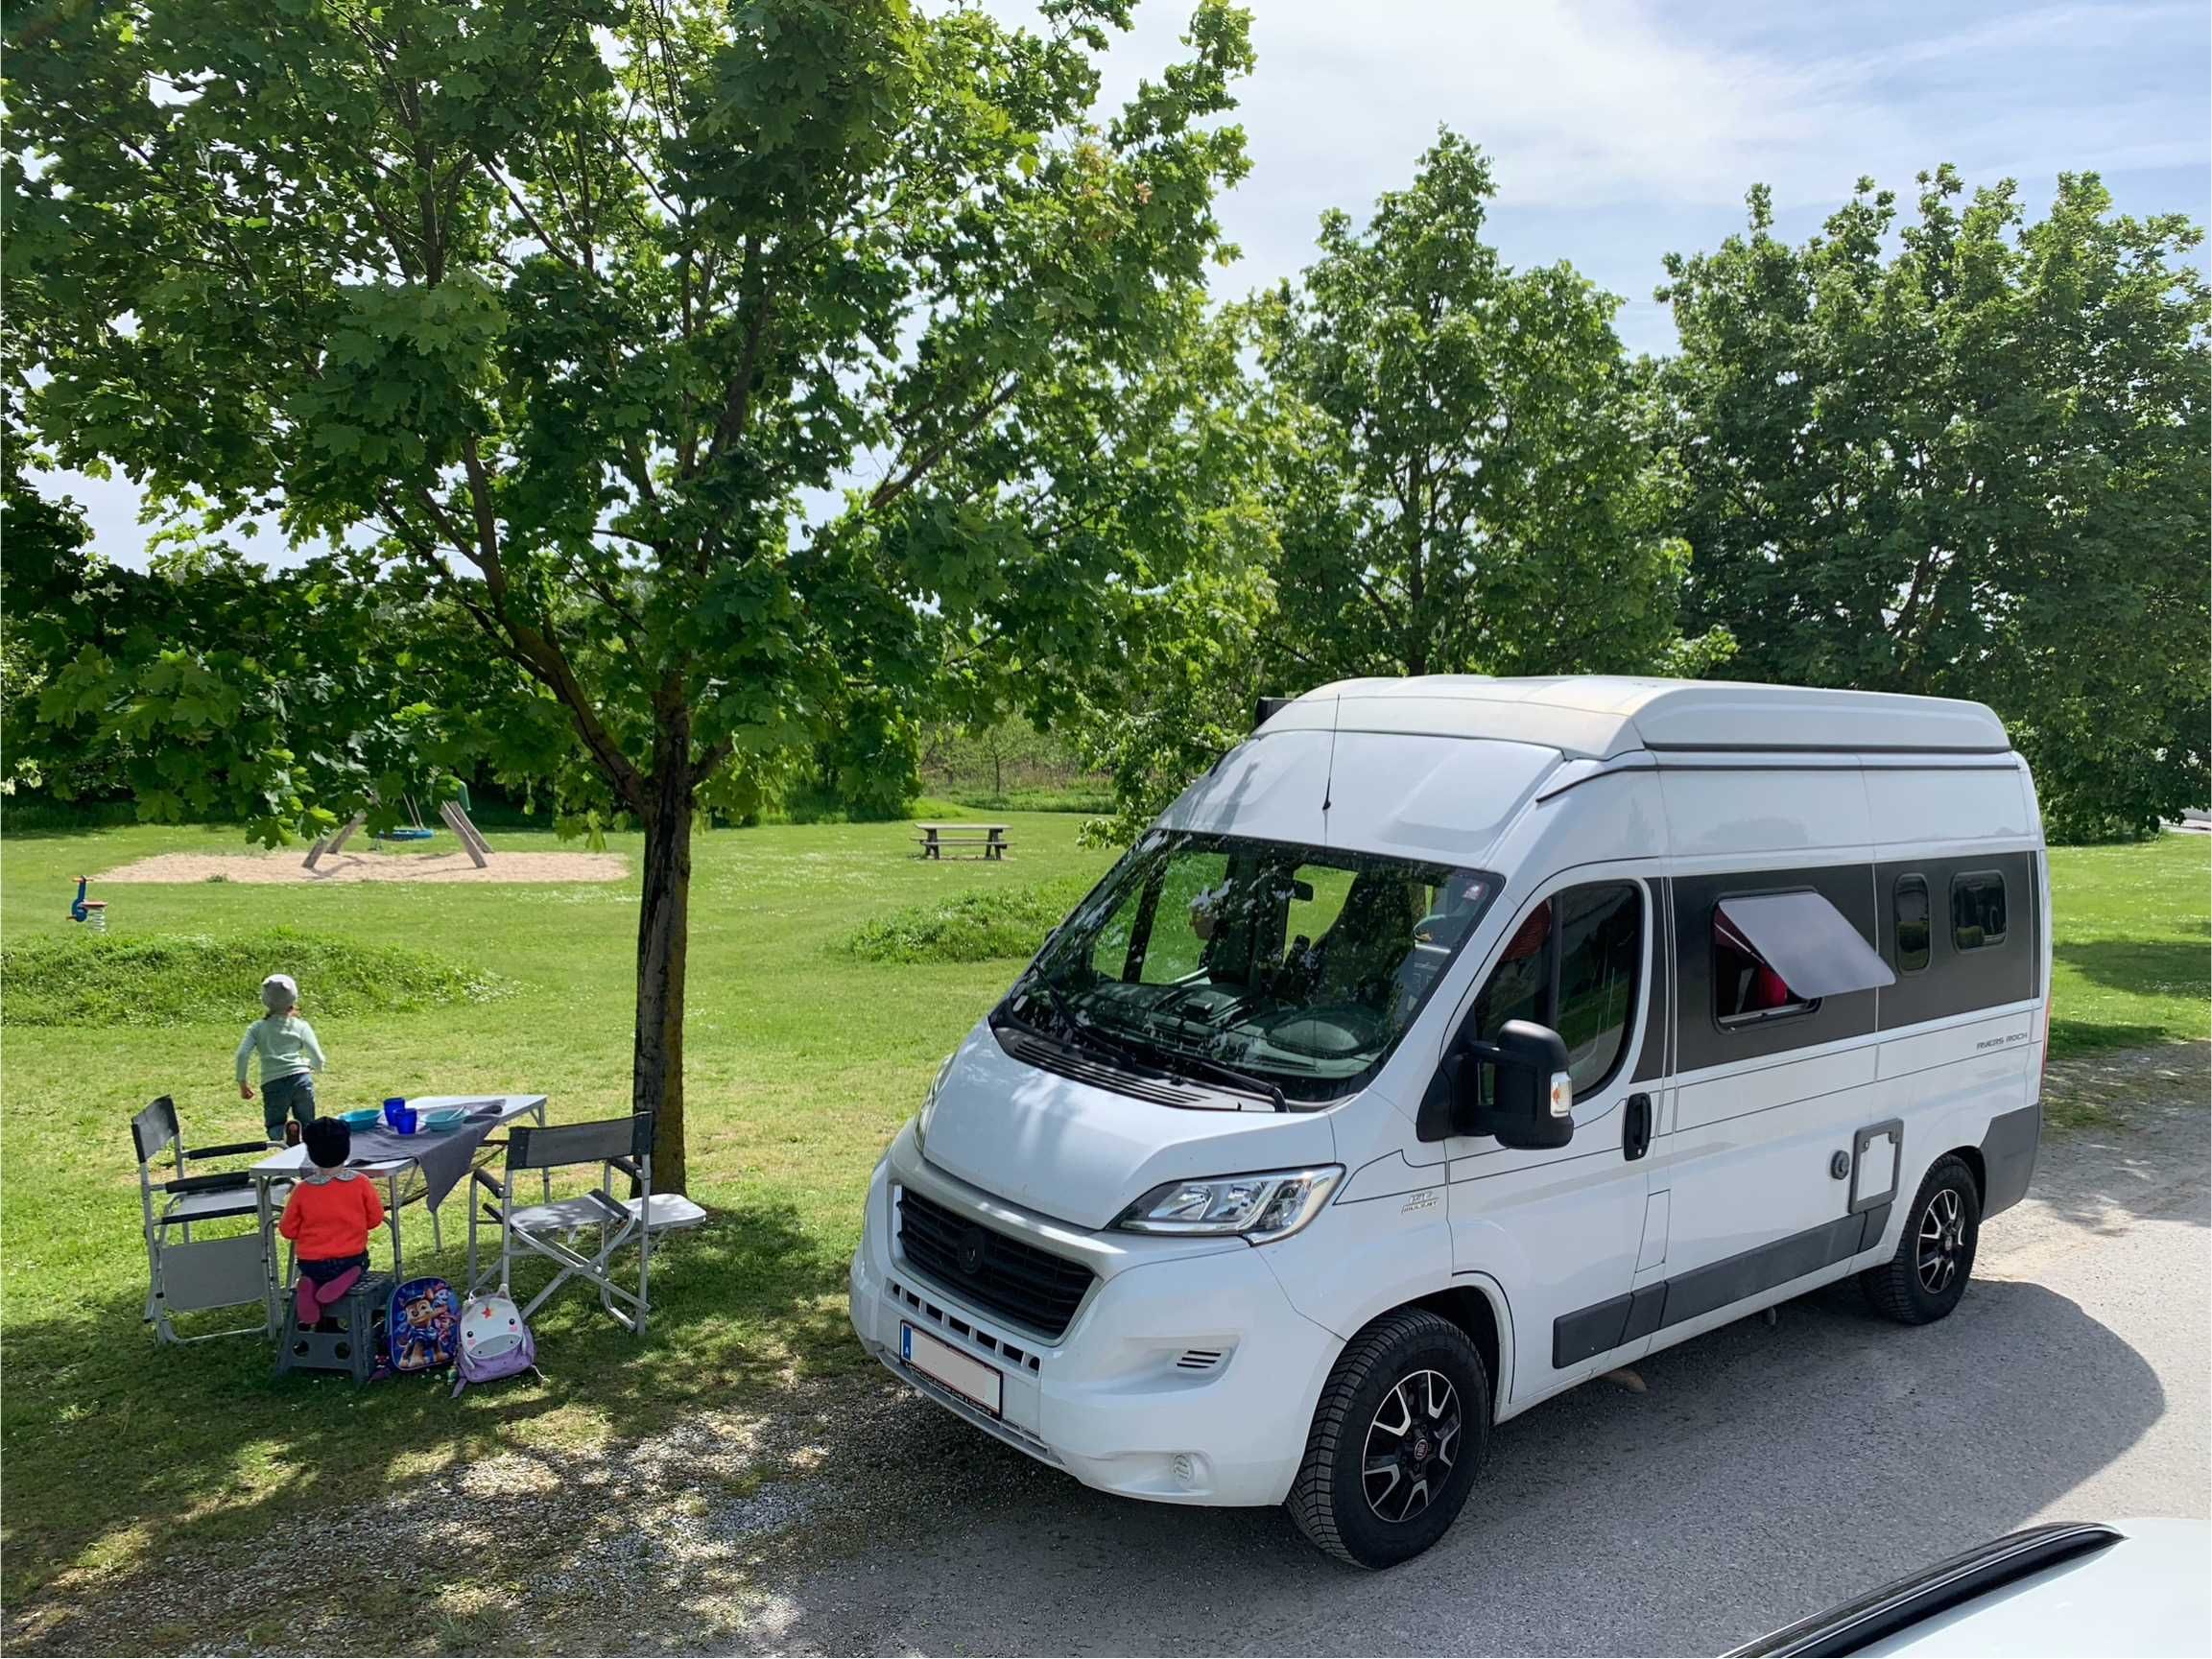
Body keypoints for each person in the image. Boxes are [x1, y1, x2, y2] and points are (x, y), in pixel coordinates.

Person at [278, 1118, 384, 1330]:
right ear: (346, 1148)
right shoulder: (360, 1183)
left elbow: (287, 1229)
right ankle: (348, 1277)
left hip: (311, 1263)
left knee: (312, 1275)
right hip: (349, 1258)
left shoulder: (303, 1190)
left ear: (311, 1152)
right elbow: (375, 1219)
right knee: (358, 1266)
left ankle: (307, 1284)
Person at [236, 972, 326, 1146]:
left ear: (265, 1000)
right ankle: (307, 1157)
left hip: (273, 1082)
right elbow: (317, 1056)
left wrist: (242, 1083)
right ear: (293, 998)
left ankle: (285, 1135)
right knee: (309, 1126)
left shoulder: (257, 1028)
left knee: (274, 1124)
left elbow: (242, 1054)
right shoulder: (300, 1026)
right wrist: (314, 1066)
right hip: (301, 1077)